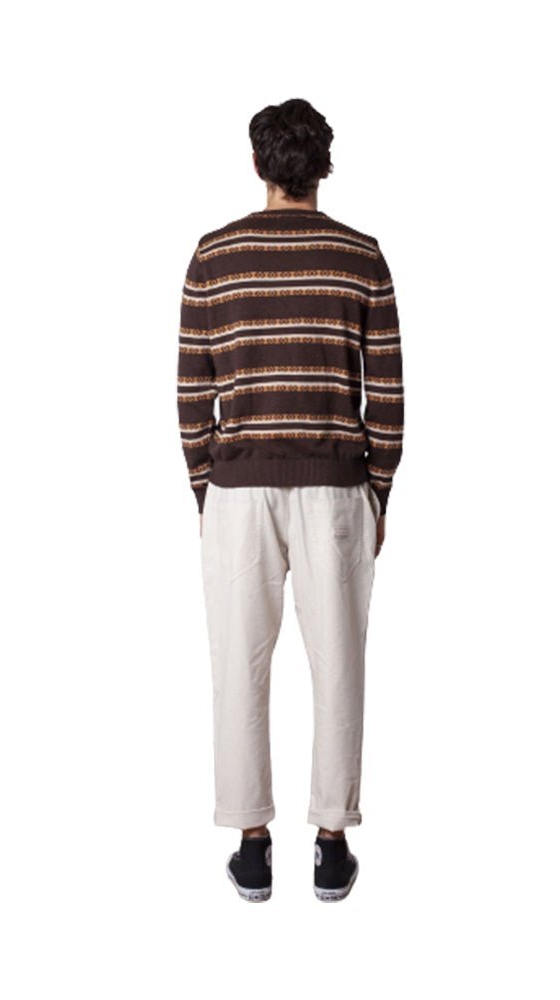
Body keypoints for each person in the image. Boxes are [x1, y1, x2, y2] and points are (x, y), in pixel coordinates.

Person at [177, 98, 404, 902]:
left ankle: (251, 843)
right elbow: (387, 393)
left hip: (237, 493)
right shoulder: (361, 257)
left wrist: (207, 490)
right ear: (324, 166)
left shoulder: (214, 256)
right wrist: (377, 492)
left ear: (256, 164)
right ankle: (331, 843)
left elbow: (190, 391)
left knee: (237, 665)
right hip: (335, 488)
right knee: (339, 664)